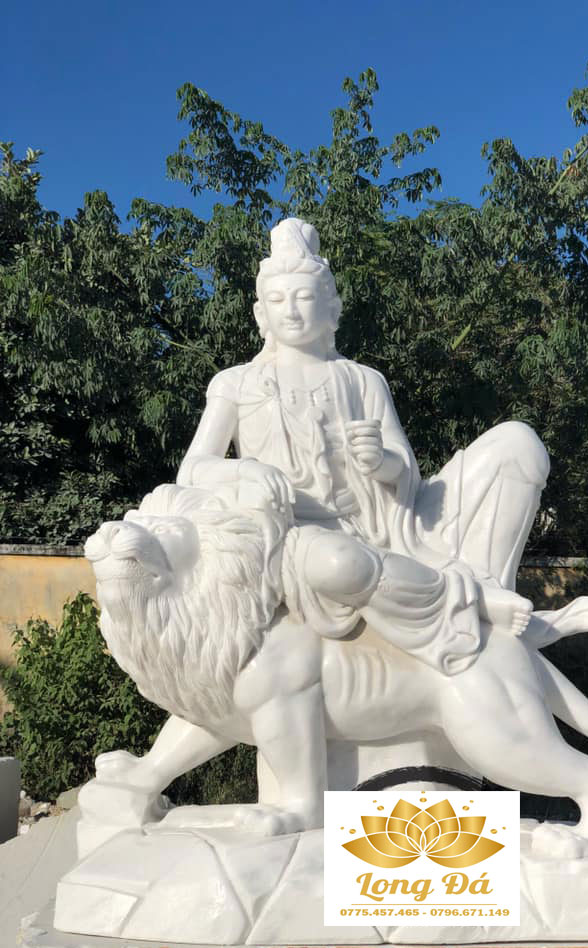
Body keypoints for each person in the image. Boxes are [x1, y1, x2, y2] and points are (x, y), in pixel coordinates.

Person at [177, 218, 550, 674]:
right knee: (341, 563)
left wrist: (380, 461)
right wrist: (245, 471)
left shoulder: (362, 380)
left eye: (304, 297)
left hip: (378, 525)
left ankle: (485, 593)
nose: (291, 310)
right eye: (277, 299)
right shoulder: (236, 383)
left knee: (518, 443)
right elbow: (192, 470)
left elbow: (405, 475)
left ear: (331, 308)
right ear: (260, 314)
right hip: (294, 535)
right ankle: (469, 599)